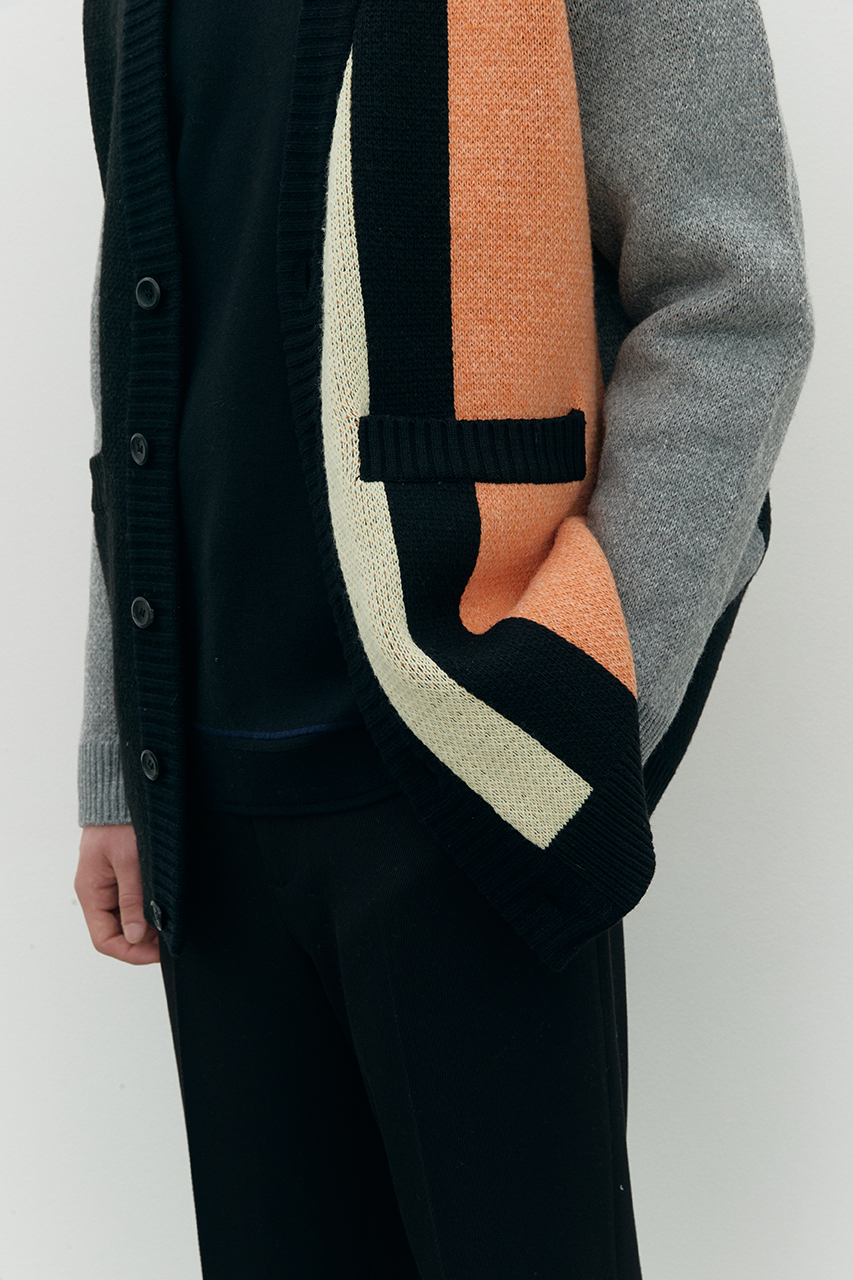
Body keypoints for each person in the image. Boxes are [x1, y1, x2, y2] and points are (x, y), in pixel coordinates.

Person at [73, 0, 813, 1275]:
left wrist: (573, 711)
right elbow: (154, 320)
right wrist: (115, 747)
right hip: (206, 813)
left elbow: (732, 298)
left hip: (472, 773)